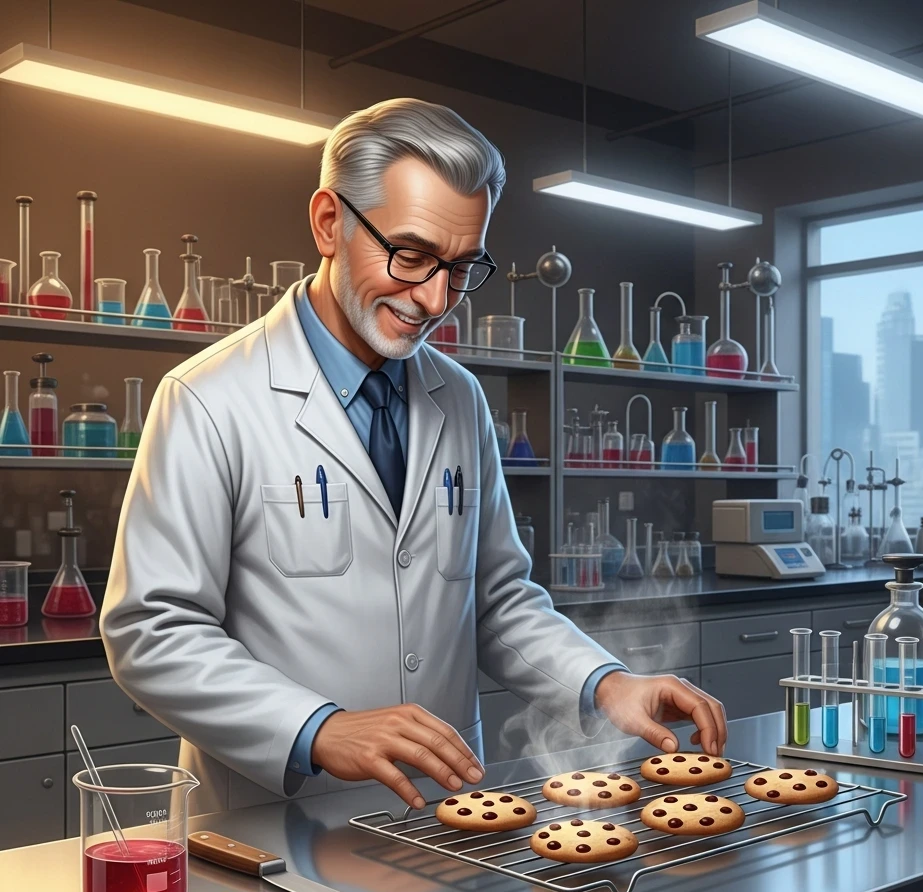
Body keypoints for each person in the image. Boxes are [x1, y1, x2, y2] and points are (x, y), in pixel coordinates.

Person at [100, 98, 727, 814]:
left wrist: (607, 682)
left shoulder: (457, 397)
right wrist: (318, 728)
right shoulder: (210, 398)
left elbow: (495, 600)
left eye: (461, 267)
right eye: (412, 254)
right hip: (273, 825)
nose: (434, 297)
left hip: (447, 814)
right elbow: (151, 631)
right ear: (329, 222)